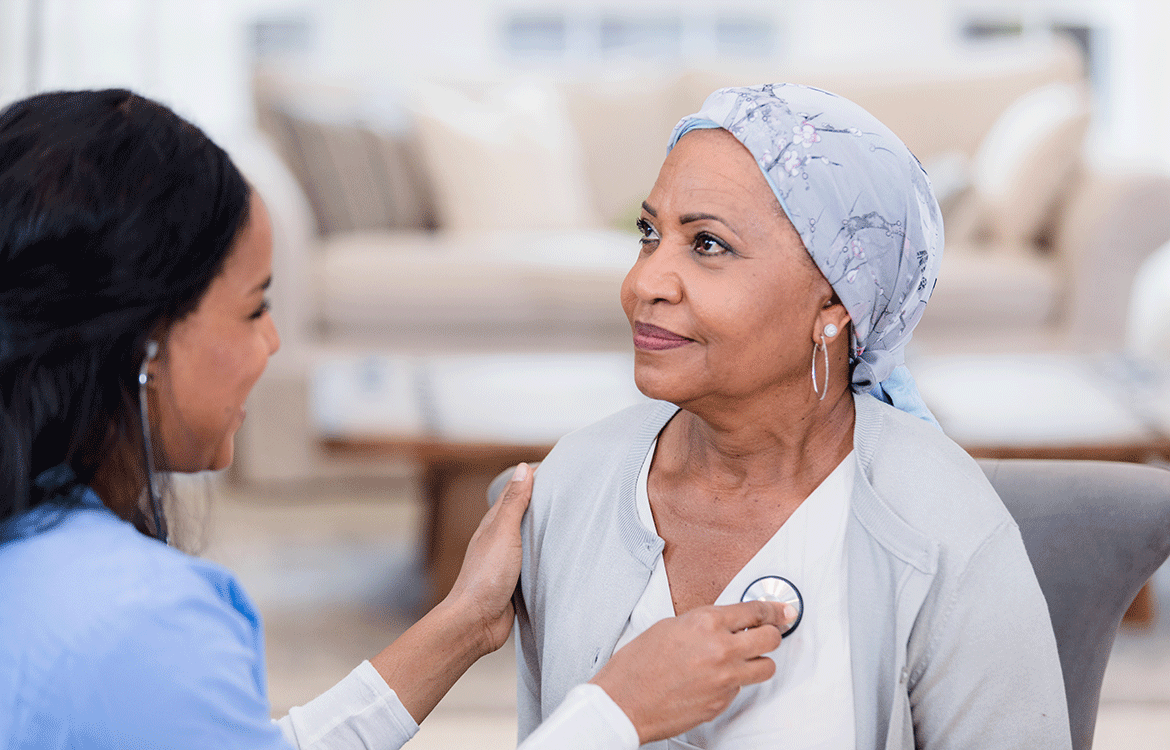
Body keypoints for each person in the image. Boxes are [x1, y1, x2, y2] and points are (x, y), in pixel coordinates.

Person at [0, 89, 795, 749]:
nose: (273, 343)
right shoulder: (138, 627)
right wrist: (615, 711)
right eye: (253, 309)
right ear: (148, 339)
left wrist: (462, 624)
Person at [514, 84, 1073, 749]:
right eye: (649, 233)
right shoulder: (574, 487)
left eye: (709, 245)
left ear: (835, 303)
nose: (644, 284)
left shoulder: (944, 528)